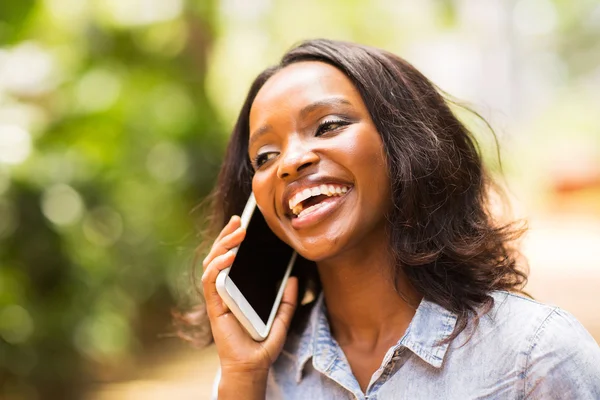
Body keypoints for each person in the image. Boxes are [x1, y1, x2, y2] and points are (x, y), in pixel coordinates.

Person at [198, 39, 600, 399]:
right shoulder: (257, 375)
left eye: (328, 125)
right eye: (265, 156)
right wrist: (243, 378)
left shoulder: (534, 357)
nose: (289, 162)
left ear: (404, 144)